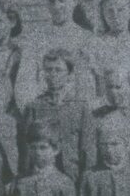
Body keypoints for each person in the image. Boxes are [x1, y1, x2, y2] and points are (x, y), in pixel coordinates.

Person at [23, 48, 99, 187]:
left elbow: (88, 150)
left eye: (58, 70)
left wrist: (87, 180)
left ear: (69, 74)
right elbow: (26, 150)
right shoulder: (33, 107)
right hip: (40, 180)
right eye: (48, 70)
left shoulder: (81, 108)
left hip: (73, 178)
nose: (53, 75)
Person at [19, 0, 95, 103]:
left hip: (76, 109)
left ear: (74, 0)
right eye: (51, 1)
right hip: (42, 109)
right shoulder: (35, 38)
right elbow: (24, 84)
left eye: (62, 0)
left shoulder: (87, 38)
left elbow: (89, 85)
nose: (56, 6)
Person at [88, 0, 130, 114]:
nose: (115, 15)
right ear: (103, 15)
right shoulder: (96, 45)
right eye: (109, 11)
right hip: (103, 108)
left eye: (120, 10)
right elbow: (95, 83)